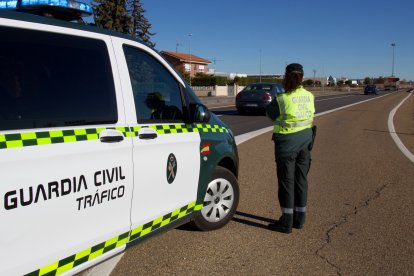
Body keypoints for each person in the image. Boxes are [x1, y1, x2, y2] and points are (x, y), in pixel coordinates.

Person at [265, 63, 315, 234]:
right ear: (302, 78)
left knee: (287, 182)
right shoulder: (309, 96)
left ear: (286, 77)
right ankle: (300, 219)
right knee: (301, 180)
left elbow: (271, 114)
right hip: (305, 142)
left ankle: (286, 222)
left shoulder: (281, 98)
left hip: (287, 145)